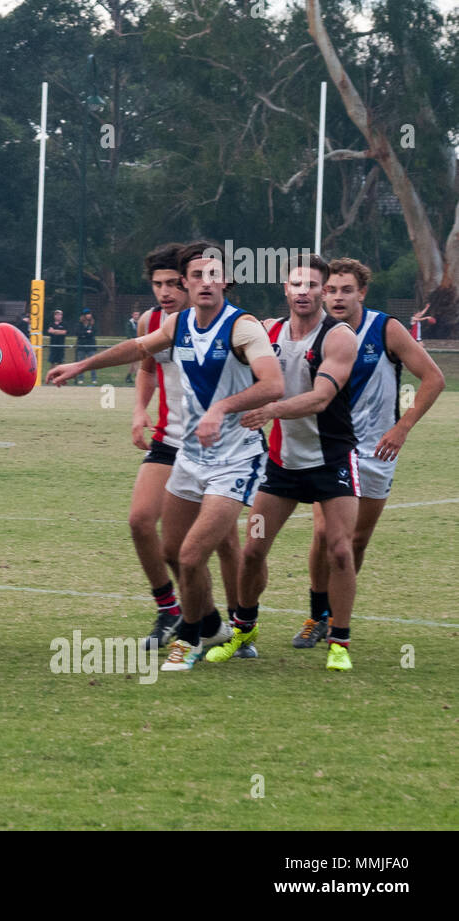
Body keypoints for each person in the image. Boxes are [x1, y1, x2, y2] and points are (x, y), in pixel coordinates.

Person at [46, 240, 283, 672]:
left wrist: (222, 408)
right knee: (173, 552)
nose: (205, 282)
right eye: (197, 276)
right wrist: (81, 366)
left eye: (214, 274)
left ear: (226, 280)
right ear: (187, 283)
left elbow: (273, 384)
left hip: (234, 458)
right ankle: (210, 624)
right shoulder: (177, 325)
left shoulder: (243, 327)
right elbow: (137, 350)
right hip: (188, 456)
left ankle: (195, 637)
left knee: (196, 554)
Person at [295, 258, 445, 650]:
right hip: (330, 448)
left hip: (377, 451)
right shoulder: (314, 330)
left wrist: (403, 426)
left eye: (346, 290)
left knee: (356, 541)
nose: (337, 297)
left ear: (362, 292)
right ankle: (318, 615)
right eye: (330, 289)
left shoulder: (386, 329)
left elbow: (433, 378)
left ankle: (338, 612)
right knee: (326, 533)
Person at [220, 257, 360, 671]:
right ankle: (243, 632)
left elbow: (320, 398)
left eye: (313, 285)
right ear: (285, 287)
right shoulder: (267, 332)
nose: (304, 291)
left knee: (339, 551)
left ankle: (339, 643)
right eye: (297, 283)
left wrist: (271, 410)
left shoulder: (339, 337)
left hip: (331, 463)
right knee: (252, 551)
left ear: (322, 290)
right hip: (280, 468)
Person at [127, 243, 244, 655]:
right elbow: (146, 367)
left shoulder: (221, 322)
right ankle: (171, 609)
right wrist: (140, 410)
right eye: (157, 284)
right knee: (141, 521)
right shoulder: (153, 322)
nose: (165, 292)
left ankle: (238, 625)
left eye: (173, 283)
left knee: (226, 543)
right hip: (169, 440)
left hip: (215, 447)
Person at [76, 309, 98, 384]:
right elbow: (78, 333)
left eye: (89, 314)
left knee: (92, 363)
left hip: (91, 345)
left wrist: (85, 334)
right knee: (81, 362)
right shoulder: (79, 324)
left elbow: (94, 333)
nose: (89, 315)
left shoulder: (92, 324)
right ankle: (80, 379)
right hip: (82, 346)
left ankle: (94, 379)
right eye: (87, 314)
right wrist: (86, 333)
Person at [123, 309, 140, 384]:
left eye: (138, 315)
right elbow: (128, 333)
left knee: (134, 362)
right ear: (132, 315)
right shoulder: (129, 323)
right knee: (135, 361)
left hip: (139, 343)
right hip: (132, 344)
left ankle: (128, 377)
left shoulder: (139, 322)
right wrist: (133, 339)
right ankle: (137, 377)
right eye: (135, 315)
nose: (137, 316)